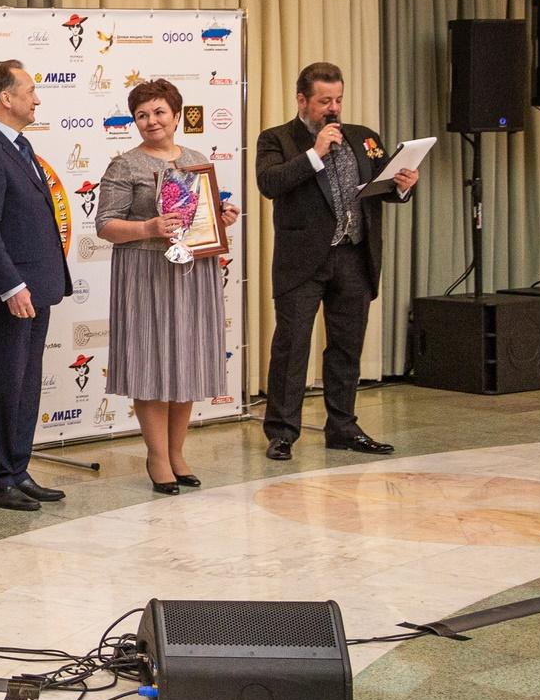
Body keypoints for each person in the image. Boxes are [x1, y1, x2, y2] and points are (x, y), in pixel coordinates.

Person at [256, 62, 418, 460]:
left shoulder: (364, 137)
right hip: (303, 261)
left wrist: (403, 186)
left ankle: (343, 427)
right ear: (302, 100)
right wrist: (315, 153)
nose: (333, 109)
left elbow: (382, 185)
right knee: (292, 346)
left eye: (338, 100)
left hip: (353, 255)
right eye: (324, 101)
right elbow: (270, 183)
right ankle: (282, 433)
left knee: (347, 346)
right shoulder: (277, 138)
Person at [96, 79, 241, 494]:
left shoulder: (197, 160)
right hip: (146, 274)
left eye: (159, 112)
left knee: (186, 362)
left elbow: (201, 219)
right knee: (151, 365)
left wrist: (221, 219)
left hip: (194, 273)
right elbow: (105, 225)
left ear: (176, 116)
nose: (151, 121)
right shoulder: (124, 165)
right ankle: (157, 457)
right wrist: (148, 227)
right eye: (142, 115)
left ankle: (177, 454)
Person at [0, 60, 75, 513]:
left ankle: (16, 469)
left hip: (37, 287)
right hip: (11, 294)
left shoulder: (20, 145)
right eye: (29, 91)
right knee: (6, 384)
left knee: (26, 385)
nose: (37, 99)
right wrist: (10, 286)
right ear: (5, 98)